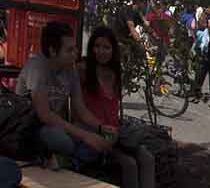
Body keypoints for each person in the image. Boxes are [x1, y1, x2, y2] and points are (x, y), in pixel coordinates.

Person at [16, 21, 111, 169]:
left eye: (75, 48)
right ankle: (71, 160)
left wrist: (101, 128)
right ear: (53, 51)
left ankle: (67, 162)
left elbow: (80, 108)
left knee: (100, 140)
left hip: (56, 125)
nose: (76, 53)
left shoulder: (70, 69)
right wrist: (85, 136)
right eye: (70, 50)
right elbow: (45, 115)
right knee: (63, 140)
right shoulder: (37, 67)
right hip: (30, 128)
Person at [79, 28, 156, 188]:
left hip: (115, 132)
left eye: (106, 47)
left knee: (147, 158)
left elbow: (114, 108)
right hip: (94, 132)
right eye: (97, 46)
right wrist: (100, 129)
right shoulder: (83, 69)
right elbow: (78, 108)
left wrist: (117, 130)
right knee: (129, 164)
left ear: (113, 50)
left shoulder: (115, 72)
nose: (101, 51)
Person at [192, 16, 210, 101]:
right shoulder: (204, 32)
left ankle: (197, 92)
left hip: (206, 53)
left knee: (202, 73)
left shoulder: (203, 31)